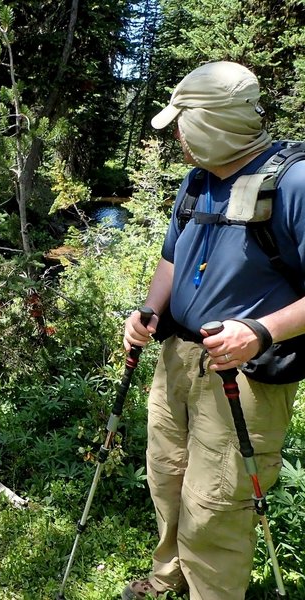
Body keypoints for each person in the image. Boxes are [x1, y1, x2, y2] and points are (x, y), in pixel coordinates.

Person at [122, 61, 305, 600]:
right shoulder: (199, 177)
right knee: (168, 477)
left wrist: (262, 331)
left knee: (217, 503)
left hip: (243, 373)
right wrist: (149, 311)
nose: (177, 133)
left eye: (184, 121)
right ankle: (167, 576)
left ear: (217, 123)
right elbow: (172, 257)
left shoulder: (294, 181)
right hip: (178, 356)